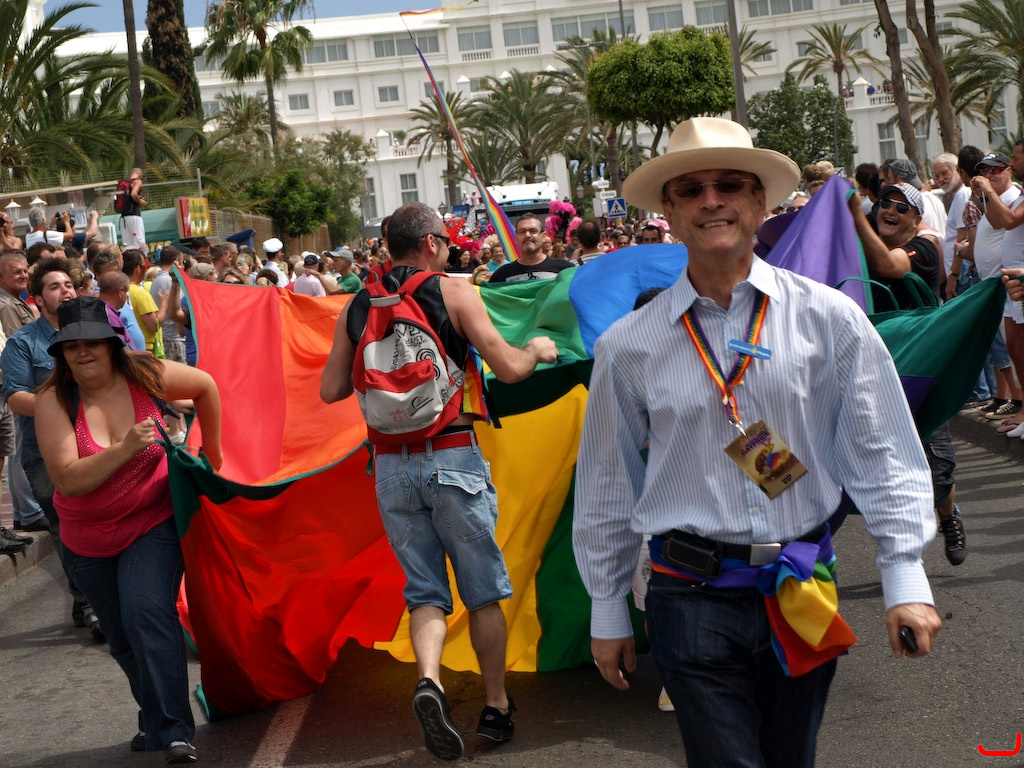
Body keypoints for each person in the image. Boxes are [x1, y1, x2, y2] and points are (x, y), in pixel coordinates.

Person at [573, 117, 941, 768]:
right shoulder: (629, 345)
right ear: (669, 211)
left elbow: (880, 445)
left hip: (800, 583)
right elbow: (607, 478)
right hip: (689, 597)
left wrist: (904, 575)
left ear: (761, 201)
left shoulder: (828, 317)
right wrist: (607, 607)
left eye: (730, 185)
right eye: (691, 189)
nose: (711, 200)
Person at [320, 202, 557, 762]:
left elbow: (331, 390)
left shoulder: (358, 303)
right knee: (482, 592)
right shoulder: (454, 291)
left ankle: (429, 681)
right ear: (430, 243)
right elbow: (509, 369)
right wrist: (537, 349)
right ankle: (495, 706)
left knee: (424, 591)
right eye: (446, 242)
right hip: (452, 456)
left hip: (391, 466)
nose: (449, 250)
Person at [35, 296, 222, 765]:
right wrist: (127, 447)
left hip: (152, 520)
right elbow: (67, 480)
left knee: (147, 612)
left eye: (92, 342)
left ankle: (174, 731)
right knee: (120, 639)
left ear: (111, 344)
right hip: (87, 540)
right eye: (71, 346)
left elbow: (205, 386)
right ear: (61, 354)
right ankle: (154, 714)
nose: (82, 352)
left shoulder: (145, 374)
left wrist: (213, 456)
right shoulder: (54, 401)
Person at [848, 181, 965, 566]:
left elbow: (888, 265)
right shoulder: (860, 250)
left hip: (920, 368)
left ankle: (948, 514)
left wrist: (854, 212)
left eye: (902, 207)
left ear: (916, 219)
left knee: (937, 462)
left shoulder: (924, 249)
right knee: (881, 461)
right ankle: (901, 550)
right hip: (875, 369)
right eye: (885, 203)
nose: (891, 210)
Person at [489, 215, 573, 283]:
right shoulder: (501, 275)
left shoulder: (565, 269)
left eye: (533, 231)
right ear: (516, 238)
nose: (527, 235)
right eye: (522, 231)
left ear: (543, 236)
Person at [119, 168, 148, 254]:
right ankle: (143, 258)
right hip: (134, 215)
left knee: (128, 244)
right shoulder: (137, 181)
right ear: (140, 174)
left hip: (124, 217)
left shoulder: (123, 183)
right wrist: (140, 201)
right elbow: (133, 194)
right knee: (139, 242)